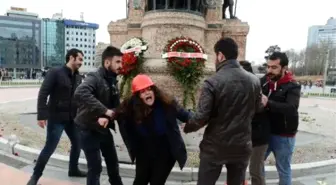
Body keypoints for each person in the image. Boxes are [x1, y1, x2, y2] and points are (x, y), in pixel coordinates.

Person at [183, 38, 261, 185]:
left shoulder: (212, 82)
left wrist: (188, 126)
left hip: (215, 147)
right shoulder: (254, 81)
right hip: (241, 146)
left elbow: (201, 117)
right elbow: (257, 109)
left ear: (220, 55)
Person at [115, 74, 190, 185]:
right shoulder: (131, 107)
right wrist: (105, 117)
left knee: (157, 182)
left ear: (154, 90)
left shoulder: (167, 103)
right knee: (140, 181)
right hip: (144, 151)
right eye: (142, 91)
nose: (147, 93)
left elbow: (186, 115)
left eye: (149, 89)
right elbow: (116, 113)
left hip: (165, 151)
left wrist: (203, 118)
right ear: (137, 96)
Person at [27, 49, 86, 185]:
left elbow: (78, 97)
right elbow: (43, 94)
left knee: (77, 143)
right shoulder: (55, 72)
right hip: (56, 118)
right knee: (50, 147)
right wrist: (41, 115)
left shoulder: (78, 77)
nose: (81, 63)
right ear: (71, 58)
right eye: (80, 59)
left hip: (72, 118)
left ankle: (73, 169)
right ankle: (35, 177)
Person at [74, 46, 125, 185]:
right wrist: (105, 111)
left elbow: (114, 106)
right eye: (118, 62)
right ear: (107, 63)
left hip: (102, 128)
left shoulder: (113, 80)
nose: (121, 65)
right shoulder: (94, 77)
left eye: (121, 62)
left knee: (113, 163)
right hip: (87, 128)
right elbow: (81, 92)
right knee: (95, 167)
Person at [262, 52, 301, 185]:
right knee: (256, 164)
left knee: (283, 169)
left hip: (284, 136)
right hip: (265, 132)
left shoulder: (293, 86)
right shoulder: (265, 82)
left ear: (284, 68)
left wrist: (268, 103)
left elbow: (291, 108)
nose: (269, 70)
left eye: (274, 67)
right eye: (268, 67)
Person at [240, 61, 270, 185]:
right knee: (239, 169)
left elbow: (259, 110)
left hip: (258, 136)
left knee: (255, 171)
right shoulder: (242, 87)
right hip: (243, 135)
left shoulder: (257, 89)